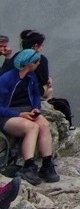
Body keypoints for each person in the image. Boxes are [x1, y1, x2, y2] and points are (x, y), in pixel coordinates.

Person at [0, 50, 60, 184]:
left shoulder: (31, 77)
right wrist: (19, 114)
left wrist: (36, 109)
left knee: (44, 125)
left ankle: (47, 163)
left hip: (26, 110)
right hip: (6, 115)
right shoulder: (6, 79)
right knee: (32, 127)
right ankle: (28, 166)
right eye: (36, 61)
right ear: (29, 63)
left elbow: (35, 96)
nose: (39, 63)